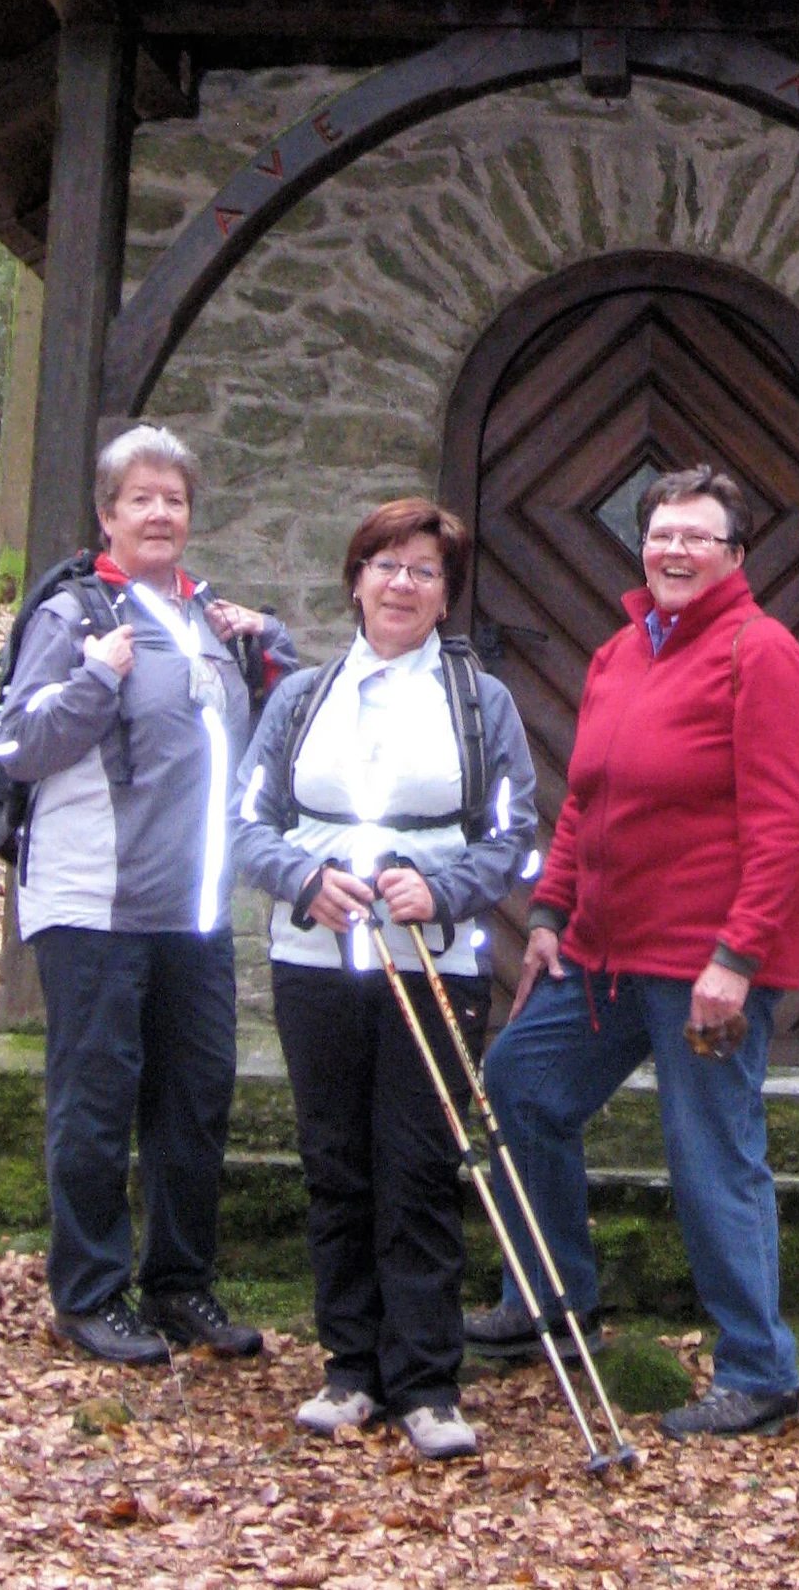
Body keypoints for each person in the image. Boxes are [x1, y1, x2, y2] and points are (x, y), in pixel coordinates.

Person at [464, 465, 799, 1441]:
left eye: (697, 538)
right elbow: (588, 798)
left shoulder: (767, 657)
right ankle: (549, 1291)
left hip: (707, 963)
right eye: (661, 534)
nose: (674, 551)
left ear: (735, 555)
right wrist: (548, 914)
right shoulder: (621, 653)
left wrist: (738, 959)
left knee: (710, 1152)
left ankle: (760, 1370)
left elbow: (793, 821)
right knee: (520, 1085)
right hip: (602, 954)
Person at [229, 497, 538, 1461]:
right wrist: (302, 879)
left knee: (419, 1166)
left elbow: (516, 840)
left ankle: (427, 1382)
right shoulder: (299, 699)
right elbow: (246, 825)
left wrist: (441, 888)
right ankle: (348, 1369)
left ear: (447, 597)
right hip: (314, 963)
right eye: (386, 566)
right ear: (355, 581)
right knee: (336, 1163)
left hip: (432, 965)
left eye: (424, 572)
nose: (402, 585)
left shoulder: (481, 705)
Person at [0, 425, 297, 1365]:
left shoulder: (211, 617)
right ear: (107, 514)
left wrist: (274, 651)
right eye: (142, 499)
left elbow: (257, 743)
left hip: (194, 911)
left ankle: (178, 1287)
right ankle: (87, 1294)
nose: (161, 513)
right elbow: (17, 744)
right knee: (95, 1100)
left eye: (174, 499)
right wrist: (94, 679)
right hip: (95, 907)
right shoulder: (75, 615)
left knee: (194, 1101)